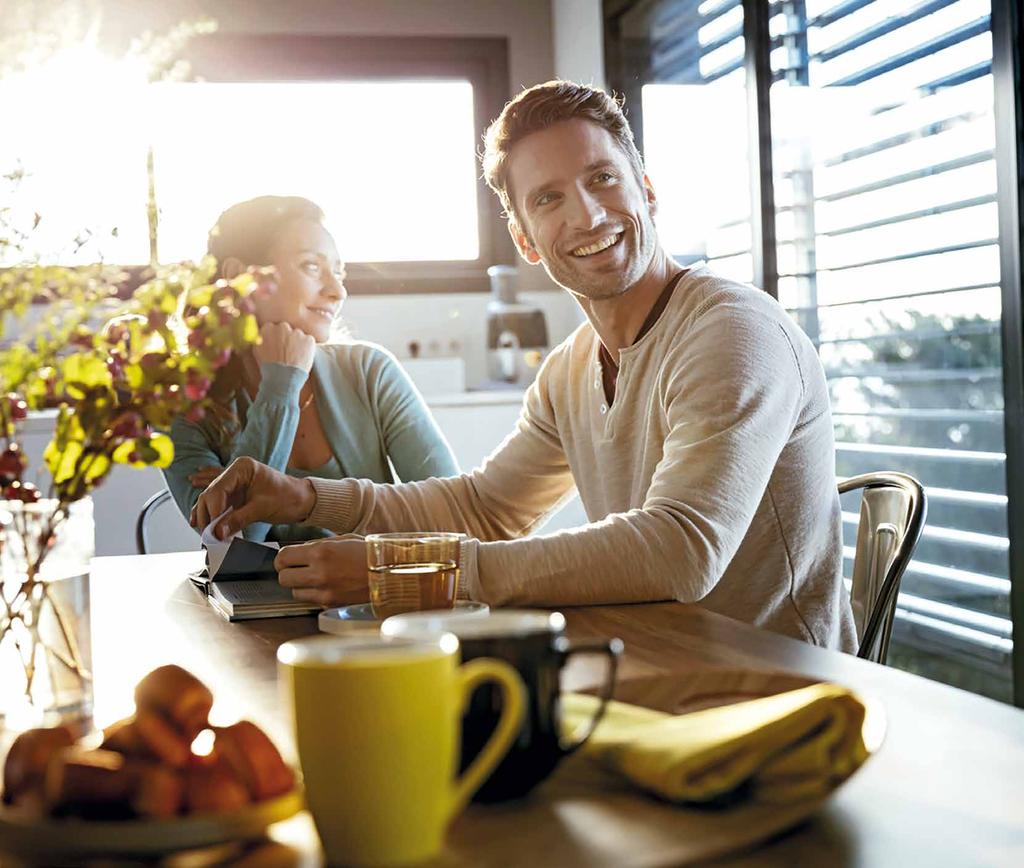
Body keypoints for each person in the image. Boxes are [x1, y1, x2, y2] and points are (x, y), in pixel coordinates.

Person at [192, 83, 857, 649]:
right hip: (663, 665)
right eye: (548, 199)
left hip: (782, 691)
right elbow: (484, 509)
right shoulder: (570, 369)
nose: (588, 214)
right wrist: (307, 497)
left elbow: (682, 551)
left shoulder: (732, 331)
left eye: (602, 178)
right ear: (524, 240)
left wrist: (409, 566)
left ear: (647, 191)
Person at [164, 195, 458, 542]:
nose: (337, 291)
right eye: (311, 267)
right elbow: (233, 546)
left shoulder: (370, 373)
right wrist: (282, 383)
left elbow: (449, 515)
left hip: (378, 594)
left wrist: (246, 486)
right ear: (237, 280)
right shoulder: (186, 405)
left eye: (338, 272)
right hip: (259, 599)